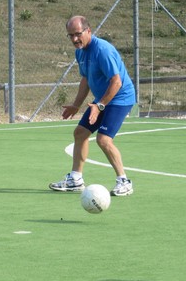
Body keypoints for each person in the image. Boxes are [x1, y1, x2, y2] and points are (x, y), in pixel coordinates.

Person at [49, 15, 136, 197]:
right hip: (102, 99)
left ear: (88, 31)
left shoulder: (102, 50)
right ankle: (75, 179)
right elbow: (86, 79)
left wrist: (100, 105)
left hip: (120, 98)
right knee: (80, 133)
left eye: (78, 34)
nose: (74, 39)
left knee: (104, 140)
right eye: (70, 35)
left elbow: (116, 82)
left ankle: (124, 182)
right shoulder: (80, 51)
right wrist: (76, 104)